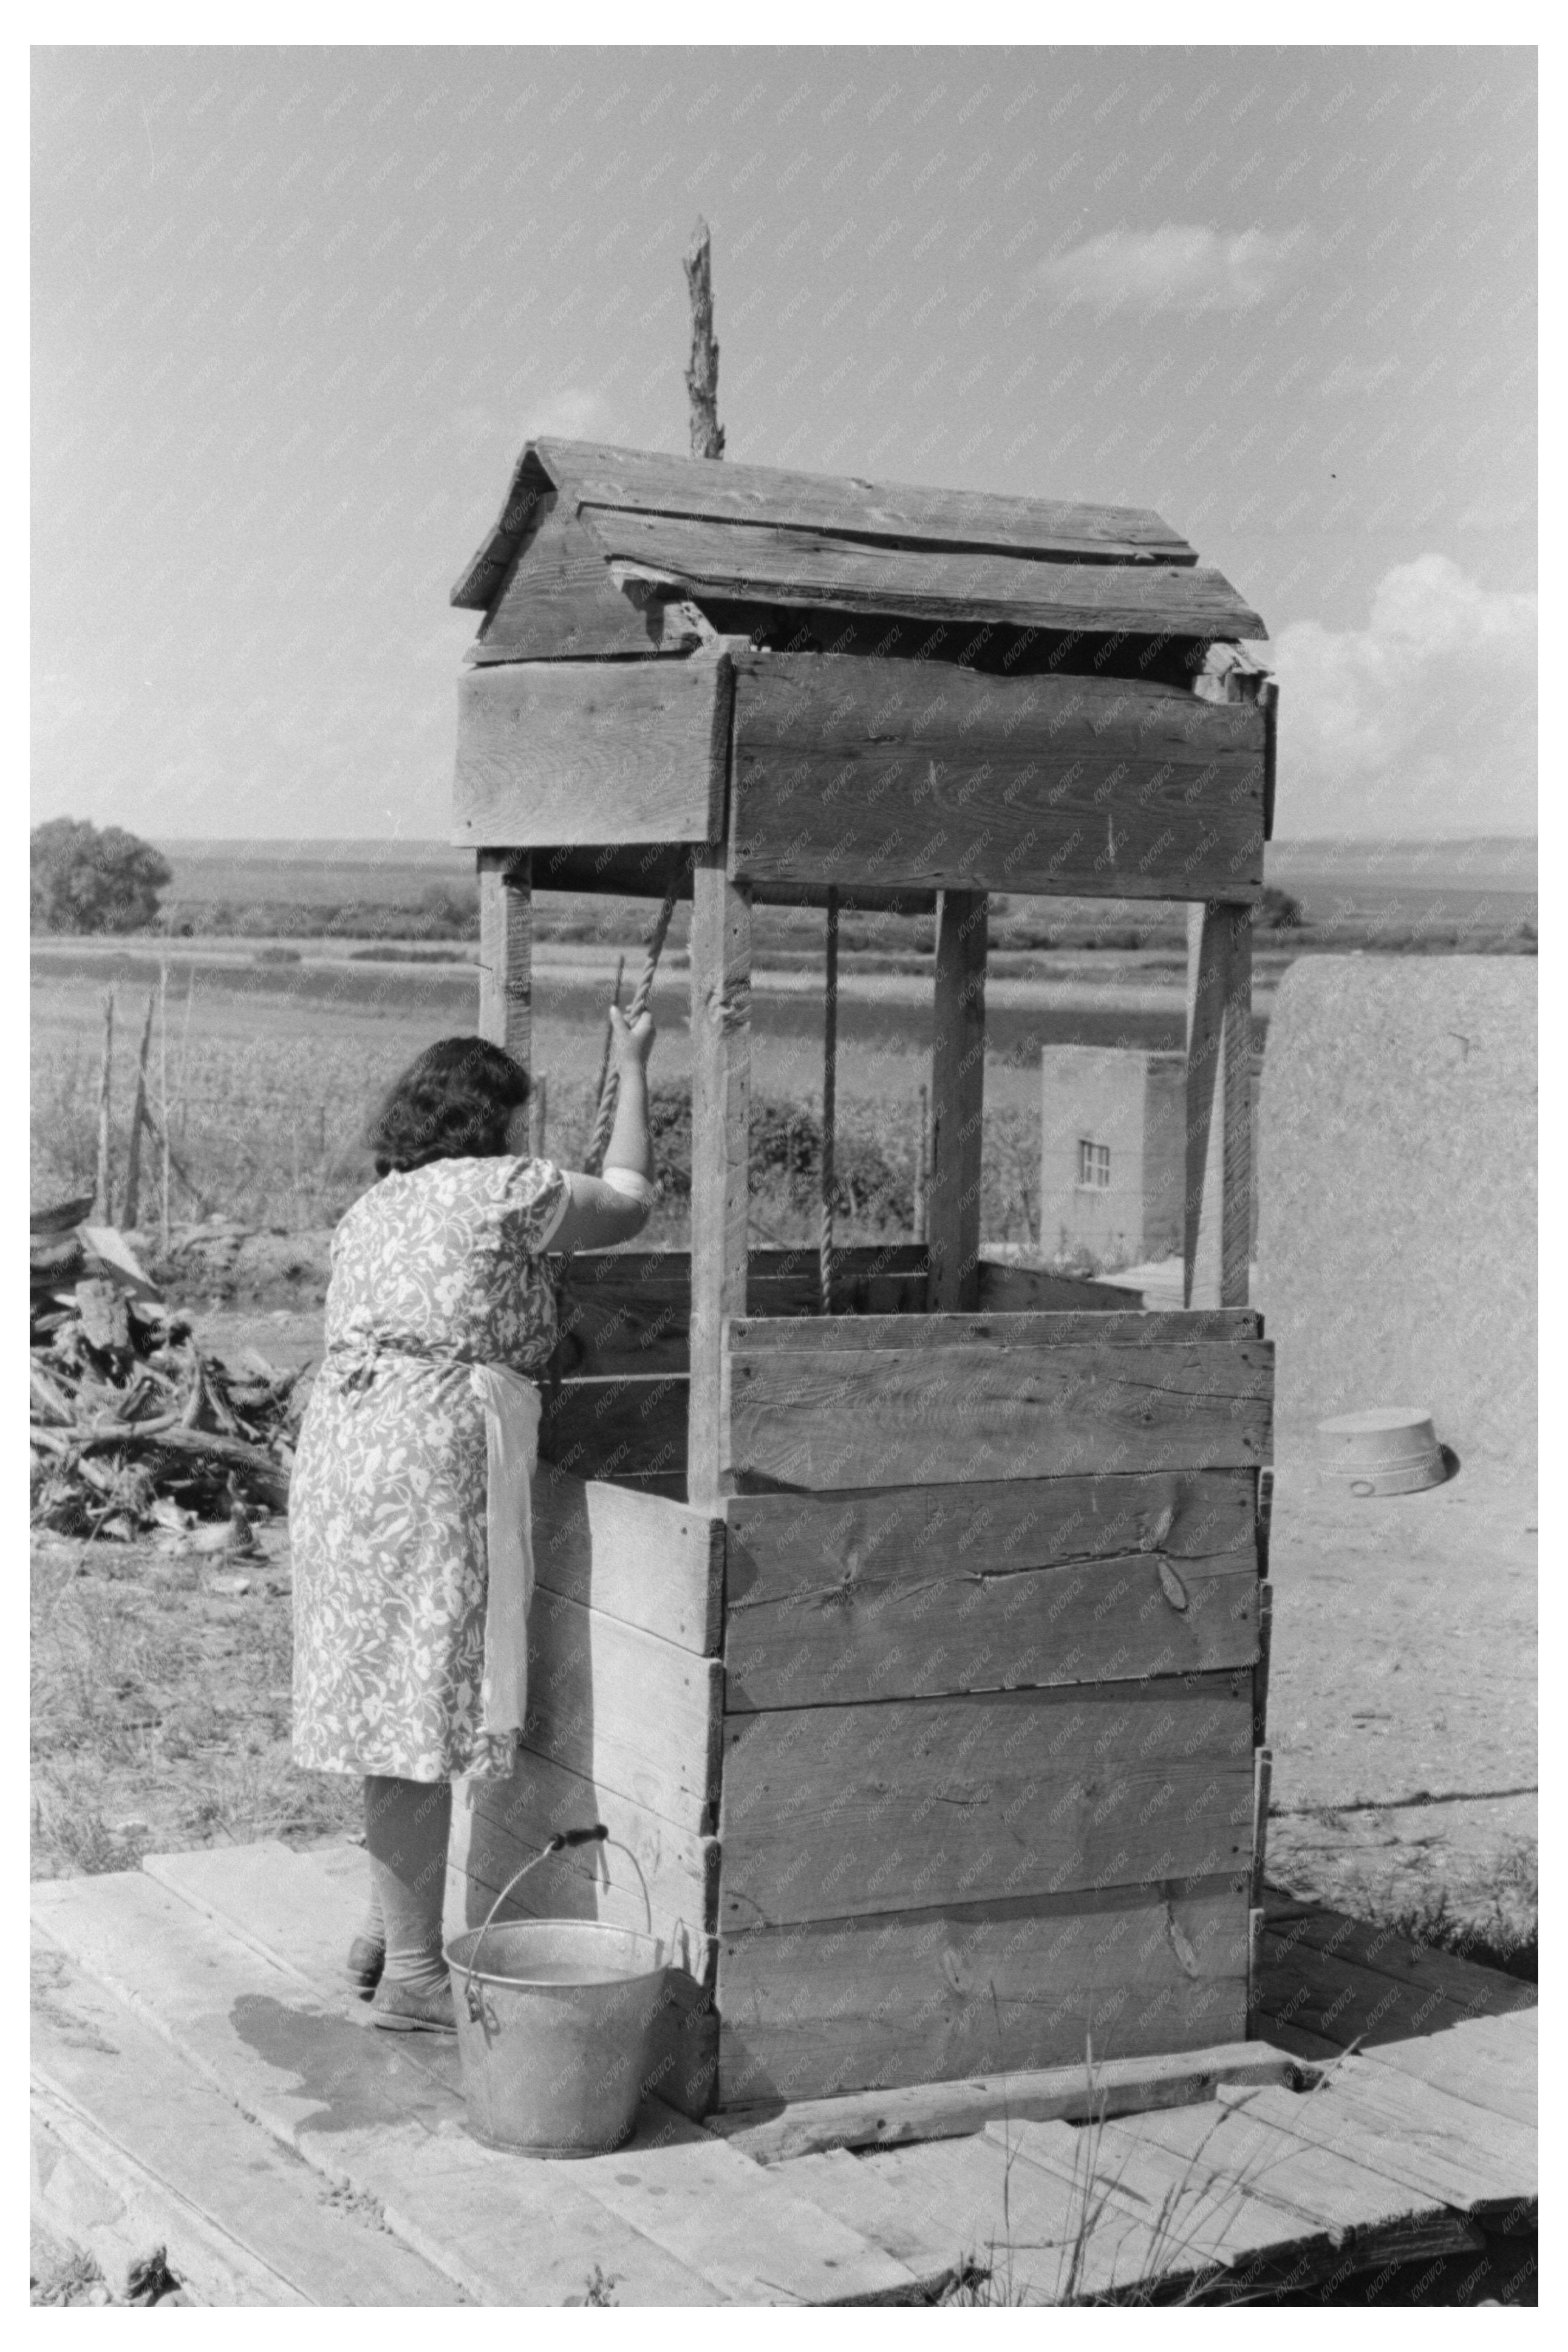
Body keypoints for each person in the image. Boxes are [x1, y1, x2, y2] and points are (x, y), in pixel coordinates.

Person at [288, 1008, 657, 2031]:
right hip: (427, 1456)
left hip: (348, 1453)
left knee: (391, 1695)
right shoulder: (502, 1189)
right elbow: (628, 1202)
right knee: (420, 1708)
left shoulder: (377, 1206)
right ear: (492, 1121)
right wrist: (631, 1068)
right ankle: (414, 1977)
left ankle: (384, 1929)